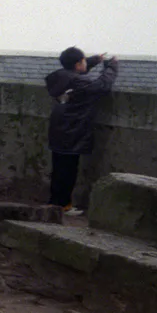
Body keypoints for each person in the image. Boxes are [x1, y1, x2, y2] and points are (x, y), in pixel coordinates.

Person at [45, 47, 118, 214]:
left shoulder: (60, 77)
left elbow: (77, 75)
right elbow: (102, 85)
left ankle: (54, 203)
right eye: (83, 60)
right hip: (72, 129)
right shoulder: (77, 82)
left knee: (58, 169)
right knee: (68, 170)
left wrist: (92, 61)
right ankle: (63, 206)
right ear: (78, 64)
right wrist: (112, 66)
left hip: (58, 129)